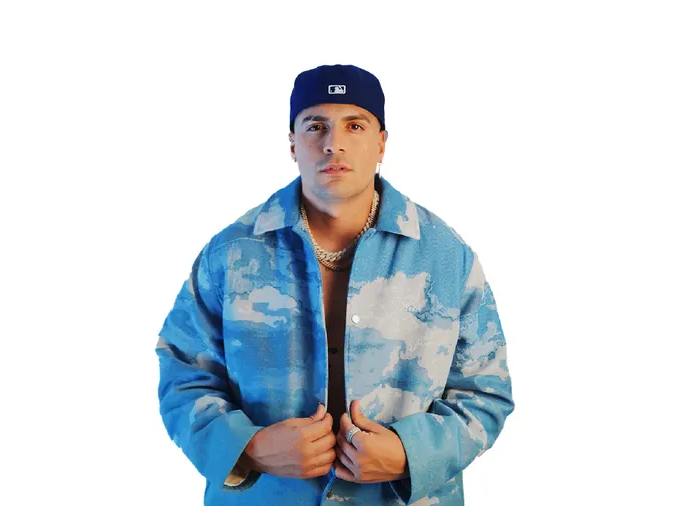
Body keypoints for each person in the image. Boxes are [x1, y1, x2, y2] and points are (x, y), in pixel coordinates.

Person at [155, 64, 515, 505]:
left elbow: (485, 391)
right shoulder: (229, 255)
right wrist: (249, 448)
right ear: (292, 143)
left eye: (355, 125)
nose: (333, 143)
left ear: (381, 143)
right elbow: (182, 373)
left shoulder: (445, 257)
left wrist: (411, 453)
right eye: (315, 126)